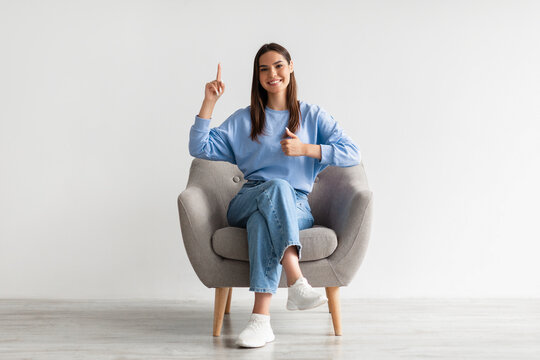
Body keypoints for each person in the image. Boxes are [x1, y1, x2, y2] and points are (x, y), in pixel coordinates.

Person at [189, 43, 360, 348]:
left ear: (290, 67)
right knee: (273, 190)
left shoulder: (312, 115)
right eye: (264, 69)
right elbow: (199, 147)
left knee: (260, 223)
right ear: (258, 77)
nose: (272, 74)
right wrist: (209, 102)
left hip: (297, 206)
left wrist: (306, 149)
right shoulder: (244, 120)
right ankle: (296, 281)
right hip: (248, 198)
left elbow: (352, 152)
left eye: (278, 66)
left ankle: (261, 321)